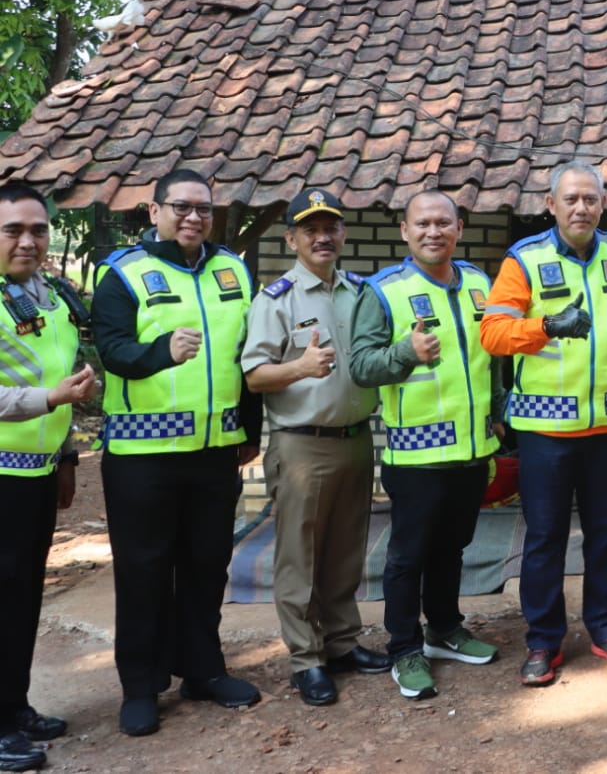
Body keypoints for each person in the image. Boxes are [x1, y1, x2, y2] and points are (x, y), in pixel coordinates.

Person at [90, 168, 264, 736]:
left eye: (203, 209)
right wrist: (161, 351)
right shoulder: (123, 274)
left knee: (206, 565)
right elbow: (113, 350)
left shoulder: (233, 270)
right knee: (144, 571)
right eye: (181, 207)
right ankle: (141, 686)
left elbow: (248, 357)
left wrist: (249, 431)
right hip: (142, 456)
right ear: (154, 211)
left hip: (215, 451)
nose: (193, 218)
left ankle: (202, 670)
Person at [480, 161, 607, 685]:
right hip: (544, 432)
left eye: (591, 199)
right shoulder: (524, 260)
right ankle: (543, 642)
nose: (581, 207)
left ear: (604, 204)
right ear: (550, 205)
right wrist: (546, 328)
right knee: (545, 538)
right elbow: (493, 333)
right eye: (571, 199)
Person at [349, 190, 503, 701]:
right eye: (423, 224)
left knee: (452, 548)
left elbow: (493, 359)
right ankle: (403, 648)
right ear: (405, 231)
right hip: (416, 453)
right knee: (407, 556)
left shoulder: (481, 284)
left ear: (459, 228)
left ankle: (443, 628)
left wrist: (500, 412)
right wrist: (404, 352)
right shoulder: (384, 291)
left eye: (443, 222)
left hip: (472, 449)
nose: (433, 231)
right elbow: (361, 365)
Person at [241, 189, 387, 707]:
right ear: (292, 240)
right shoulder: (275, 299)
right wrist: (300, 368)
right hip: (302, 443)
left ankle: (343, 644)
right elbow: (256, 375)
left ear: (343, 234)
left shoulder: (359, 291)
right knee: (299, 557)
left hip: (354, 438)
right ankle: (306, 659)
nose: (323, 237)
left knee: (346, 551)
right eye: (310, 229)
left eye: (331, 227)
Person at [0, 183, 98, 772]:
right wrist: (49, 398)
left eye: (38, 230)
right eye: (14, 230)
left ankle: (14, 706)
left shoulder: (49, 299)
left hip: (35, 474)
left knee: (22, 599)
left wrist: (65, 459)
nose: (29, 241)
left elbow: (61, 382)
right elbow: (46, 390)